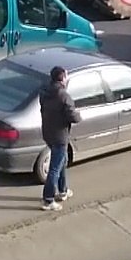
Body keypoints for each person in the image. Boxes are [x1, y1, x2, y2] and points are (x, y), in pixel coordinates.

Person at [38, 66, 81, 211]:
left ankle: (63, 190)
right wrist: (78, 115)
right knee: (55, 168)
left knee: (62, 161)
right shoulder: (64, 96)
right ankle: (48, 200)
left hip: (48, 133)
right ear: (62, 78)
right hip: (60, 136)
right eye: (66, 76)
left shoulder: (45, 92)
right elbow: (73, 116)